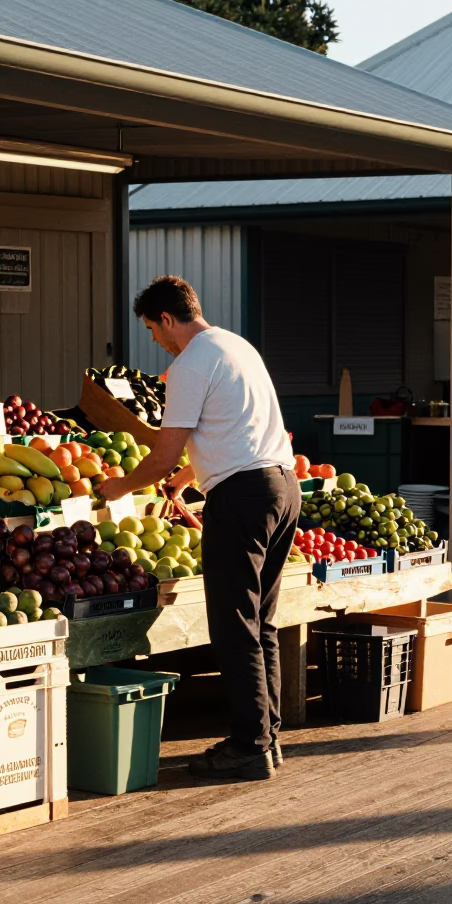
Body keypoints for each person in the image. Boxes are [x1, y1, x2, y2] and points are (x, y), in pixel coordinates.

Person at [96, 276, 301, 782]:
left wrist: (121, 487)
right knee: (261, 623)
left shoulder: (188, 365)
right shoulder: (237, 346)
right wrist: (189, 481)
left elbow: (165, 453)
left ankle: (249, 747)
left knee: (233, 626)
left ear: (168, 319)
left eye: (151, 328)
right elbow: (239, 429)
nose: (153, 340)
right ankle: (267, 737)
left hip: (243, 499)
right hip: (283, 488)